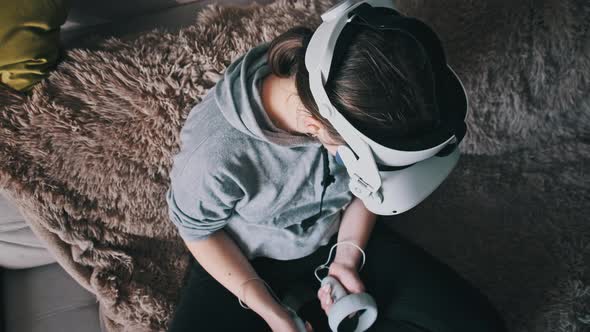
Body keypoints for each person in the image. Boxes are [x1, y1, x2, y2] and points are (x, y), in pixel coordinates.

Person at [165, 11, 507, 332]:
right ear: (313, 126)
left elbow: (368, 190)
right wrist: (270, 311)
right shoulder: (213, 151)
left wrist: (345, 256)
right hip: (248, 256)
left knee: (480, 323)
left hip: (340, 232)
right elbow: (197, 231)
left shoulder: (357, 73)